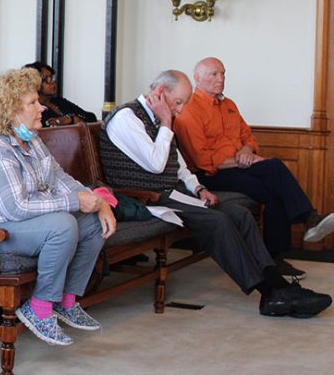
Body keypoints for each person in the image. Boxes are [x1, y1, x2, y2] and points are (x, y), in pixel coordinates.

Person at [100, 70, 331, 318]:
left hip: (173, 194)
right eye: (178, 103)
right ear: (161, 93)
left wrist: (198, 188)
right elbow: (155, 164)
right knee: (219, 221)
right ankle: (270, 293)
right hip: (148, 200)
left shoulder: (158, 118)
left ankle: (278, 286)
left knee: (240, 214)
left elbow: (177, 166)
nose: (179, 110)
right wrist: (167, 122)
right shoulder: (127, 118)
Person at [0, 67, 115, 346]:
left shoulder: (31, 139)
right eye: (32, 103)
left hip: (15, 226)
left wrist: (98, 202)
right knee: (62, 225)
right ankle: (39, 308)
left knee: (90, 223)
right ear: (10, 111)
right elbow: (16, 208)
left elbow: (61, 179)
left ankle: (65, 302)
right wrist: (74, 201)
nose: (42, 107)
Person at [173, 57, 334, 276]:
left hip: (238, 165)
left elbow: (247, 136)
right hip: (210, 175)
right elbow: (203, 161)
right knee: (274, 169)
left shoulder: (229, 105)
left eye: (223, 73)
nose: (221, 79)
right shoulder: (189, 111)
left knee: (274, 188)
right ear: (197, 78)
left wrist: (247, 151)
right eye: (214, 74)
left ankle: (277, 254)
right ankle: (308, 220)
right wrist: (243, 161)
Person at [23, 62, 97, 127]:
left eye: (53, 78)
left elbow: (91, 117)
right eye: (48, 79)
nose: (53, 82)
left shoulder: (60, 101)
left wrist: (70, 119)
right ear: (36, 83)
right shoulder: (32, 108)